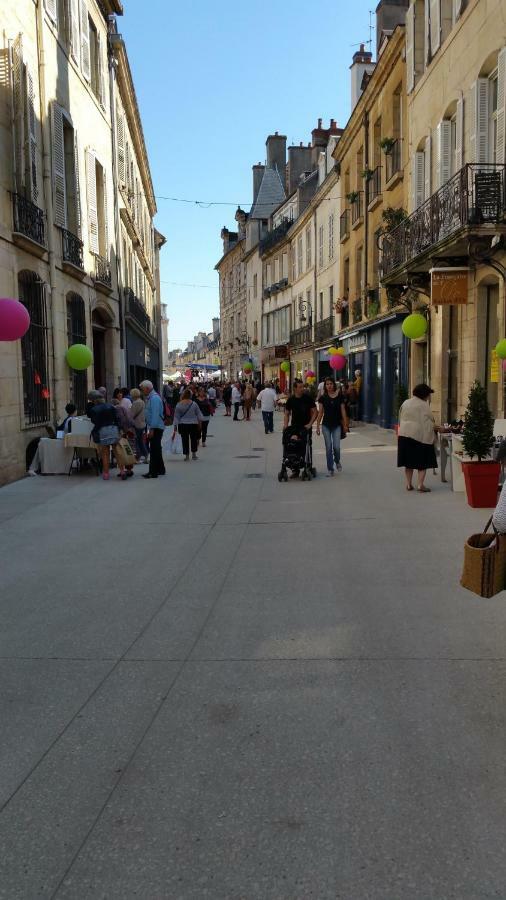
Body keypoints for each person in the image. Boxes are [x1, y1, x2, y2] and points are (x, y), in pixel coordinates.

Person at [397, 383, 440, 492]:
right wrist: (437, 429)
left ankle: (408, 484)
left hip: (403, 435)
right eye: (429, 394)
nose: (429, 397)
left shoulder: (406, 402)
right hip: (418, 437)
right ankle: (420, 485)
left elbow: (400, 418)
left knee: (408, 462)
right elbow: (429, 422)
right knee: (422, 462)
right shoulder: (423, 405)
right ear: (425, 395)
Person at [316, 377, 348, 476]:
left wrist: (345, 424)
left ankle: (337, 461)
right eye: (327, 384)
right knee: (328, 447)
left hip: (337, 425)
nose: (329, 386)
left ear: (334, 385)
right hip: (326, 425)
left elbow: (343, 411)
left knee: (336, 447)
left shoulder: (340, 397)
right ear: (325, 386)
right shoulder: (323, 398)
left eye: (330, 384)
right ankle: (330, 469)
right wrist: (317, 426)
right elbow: (320, 412)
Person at [87, 390, 121, 481]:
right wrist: (119, 429)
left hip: (103, 431)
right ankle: (122, 471)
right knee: (117, 452)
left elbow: (95, 422)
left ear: (94, 401)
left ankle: (106, 473)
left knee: (105, 453)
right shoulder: (111, 406)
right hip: (113, 429)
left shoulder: (94, 409)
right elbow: (117, 418)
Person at [140, 380, 165, 479]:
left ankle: (153, 472)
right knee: (157, 449)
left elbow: (155, 414)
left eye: (142, 389)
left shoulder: (154, 398)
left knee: (154, 450)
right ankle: (161, 469)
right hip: (156, 426)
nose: (142, 392)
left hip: (156, 427)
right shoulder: (152, 397)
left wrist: (152, 429)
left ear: (147, 388)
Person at [173, 389, 204, 461]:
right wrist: (200, 423)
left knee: (185, 440)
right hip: (193, 424)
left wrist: (175, 426)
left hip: (182, 425)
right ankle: (194, 455)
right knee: (193, 439)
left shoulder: (179, 404)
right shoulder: (194, 404)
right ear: (190, 395)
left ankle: (187, 456)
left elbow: (176, 416)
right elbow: (199, 414)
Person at [130, 387, 147, 462]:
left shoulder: (135, 403)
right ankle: (145, 455)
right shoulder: (142, 401)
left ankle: (138, 456)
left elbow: (132, 414)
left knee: (137, 441)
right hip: (142, 423)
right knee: (141, 441)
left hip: (137, 424)